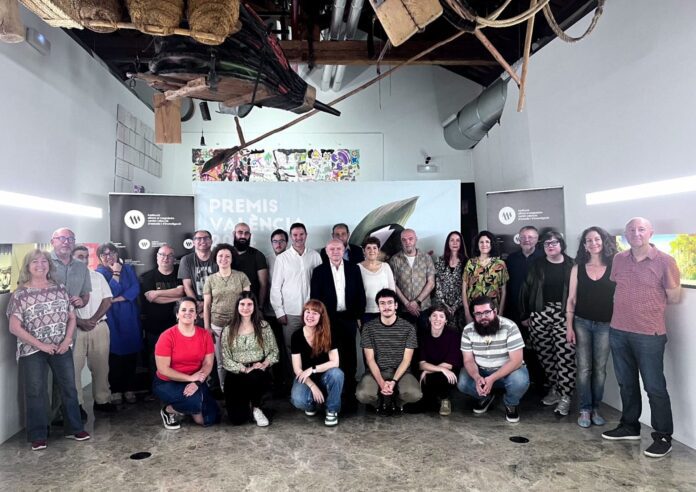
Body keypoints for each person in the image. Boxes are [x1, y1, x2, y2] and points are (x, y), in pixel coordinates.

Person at [601, 217, 681, 458]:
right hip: (618, 331)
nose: (636, 233)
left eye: (641, 229)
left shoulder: (665, 261)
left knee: (654, 387)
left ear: (651, 233)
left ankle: (663, 436)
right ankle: (629, 426)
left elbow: (674, 297)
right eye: (631, 230)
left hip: (649, 334)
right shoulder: (619, 259)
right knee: (626, 383)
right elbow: (618, 286)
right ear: (626, 234)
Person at [6, 250, 90, 450]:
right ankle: (38, 434)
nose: (40, 265)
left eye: (44, 261)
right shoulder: (20, 294)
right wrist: (41, 345)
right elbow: (14, 327)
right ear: (28, 267)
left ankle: (74, 428)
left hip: (61, 347)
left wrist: (67, 340)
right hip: (32, 350)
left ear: (49, 266)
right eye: (35, 261)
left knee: (68, 387)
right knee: (35, 391)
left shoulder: (60, 288)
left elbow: (71, 317)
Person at [565, 227, 616, 428]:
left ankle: (595, 408)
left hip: (606, 325)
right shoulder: (577, 268)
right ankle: (584, 409)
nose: (593, 243)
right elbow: (571, 299)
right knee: (584, 368)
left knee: (600, 369)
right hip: (581, 323)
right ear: (584, 245)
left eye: (597, 239)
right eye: (589, 240)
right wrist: (569, 326)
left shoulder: (614, 267)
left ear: (603, 241)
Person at [519, 231, 575, 416]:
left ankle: (566, 396)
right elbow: (526, 289)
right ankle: (555, 389)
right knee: (545, 356)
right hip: (540, 313)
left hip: (563, 314)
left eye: (554, 242)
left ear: (561, 244)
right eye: (546, 244)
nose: (550, 246)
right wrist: (525, 314)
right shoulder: (537, 265)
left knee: (565, 357)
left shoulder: (572, 265)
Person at [310, 239, 366, 405]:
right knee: (330, 355)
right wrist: (321, 320)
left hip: (348, 319)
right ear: (327, 252)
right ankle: (334, 392)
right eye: (332, 249)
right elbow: (315, 298)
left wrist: (356, 315)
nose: (335, 252)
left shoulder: (353, 268)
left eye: (338, 249)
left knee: (350, 356)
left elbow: (360, 294)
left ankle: (349, 393)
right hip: (328, 320)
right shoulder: (319, 271)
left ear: (343, 250)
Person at [457, 295, 529, 423]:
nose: (483, 317)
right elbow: (468, 360)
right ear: (473, 315)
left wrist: (492, 378)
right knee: (462, 381)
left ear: (495, 312)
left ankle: (511, 403)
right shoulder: (468, 330)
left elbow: (516, 360)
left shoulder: (510, 326)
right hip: (482, 371)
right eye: (478, 314)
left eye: (487, 312)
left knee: (520, 381)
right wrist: (477, 377)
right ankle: (485, 397)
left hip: (508, 372)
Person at [153, 297, 220, 430]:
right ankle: (169, 410)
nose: (187, 313)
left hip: (196, 380)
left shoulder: (205, 335)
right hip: (168, 382)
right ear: (177, 314)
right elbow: (163, 369)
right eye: (183, 310)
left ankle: (189, 408)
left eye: (191, 310)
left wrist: (196, 382)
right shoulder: (166, 336)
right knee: (194, 402)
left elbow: (208, 363)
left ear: (196, 315)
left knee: (210, 418)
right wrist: (190, 378)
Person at [356, 289, 422, 414]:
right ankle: (378, 403)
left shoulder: (408, 328)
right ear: (378, 307)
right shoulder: (368, 328)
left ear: (396, 305)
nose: (386, 307)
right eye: (382, 303)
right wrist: (382, 383)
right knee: (363, 394)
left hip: (401, 372)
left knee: (414, 394)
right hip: (376, 371)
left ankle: (397, 402)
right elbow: (370, 360)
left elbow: (406, 360)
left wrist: (394, 382)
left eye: (390, 303)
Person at [221, 292, 279, 426]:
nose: (245, 308)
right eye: (242, 304)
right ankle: (247, 406)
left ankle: (256, 408)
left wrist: (264, 364)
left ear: (255, 306)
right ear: (237, 306)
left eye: (249, 304)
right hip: (237, 372)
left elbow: (274, 351)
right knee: (237, 420)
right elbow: (226, 358)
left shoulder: (263, 326)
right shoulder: (228, 329)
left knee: (255, 376)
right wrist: (244, 369)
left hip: (258, 371)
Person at [270, 223, 322, 370]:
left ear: (306, 235)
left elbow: (321, 283)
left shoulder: (315, 256)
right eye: (295, 235)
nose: (298, 238)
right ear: (291, 237)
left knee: (313, 346)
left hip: (312, 312)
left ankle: (311, 376)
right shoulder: (282, 258)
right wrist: (279, 311)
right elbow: (275, 287)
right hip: (290, 313)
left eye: (301, 234)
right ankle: (294, 379)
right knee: (291, 347)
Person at [71, 245, 116, 415]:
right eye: (79, 256)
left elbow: (107, 299)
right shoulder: (65, 280)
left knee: (101, 367)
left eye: (86, 256)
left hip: (98, 327)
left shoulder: (97, 277)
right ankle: (76, 405)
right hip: (75, 329)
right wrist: (80, 322)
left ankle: (102, 400)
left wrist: (93, 320)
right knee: (74, 369)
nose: (83, 260)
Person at [96, 242, 142, 405]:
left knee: (131, 354)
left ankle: (129, 388)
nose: (109, 257)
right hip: (111, 318)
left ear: (117, 254)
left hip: (129, 316)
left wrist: (115, 299)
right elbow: (109, 292)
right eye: (104, 254)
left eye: (112, 253)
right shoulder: (99, 273)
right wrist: (115, 273)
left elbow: (135, 288)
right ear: (100, 258)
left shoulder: (128, 268)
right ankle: (115, 390)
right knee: (114, 355)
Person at [203, 242, 251, 389]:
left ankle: (242, 389)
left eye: (227, 256)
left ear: (232, 258)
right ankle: (226, 391)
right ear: (215, 258)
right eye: (220, 256)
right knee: (221, 362)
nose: (223, 259)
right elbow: (207, 305)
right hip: (217, 326)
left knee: (241, 358)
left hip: (238, 325)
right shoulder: (210, 279)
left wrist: (247, 324)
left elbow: (248, 302)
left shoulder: (241, 277)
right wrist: (207, 328)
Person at [290, 299, 344, 426]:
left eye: (315, 313)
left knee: (337, 374)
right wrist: (312, 386)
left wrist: (312, 369)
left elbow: (335, 362)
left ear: (321, 316)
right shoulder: (296, 335)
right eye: (307, 312)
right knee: (299, 400)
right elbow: (297, 369)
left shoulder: (329, 333)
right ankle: (312, 404)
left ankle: (331, 410)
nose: (310, 316)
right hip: (306, 378)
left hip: (326, 376)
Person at [140, 245, 184, 378]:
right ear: (157, 257)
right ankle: (157, 386)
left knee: (178, 359)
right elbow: (152, 299)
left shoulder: (180, 273)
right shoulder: (148, 277)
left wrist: (158, 292)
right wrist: (177, 298)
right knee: (155, 359)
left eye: (170, 255)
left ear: (174, 258)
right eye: (162, 255)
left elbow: (181, 291)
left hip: (178, 327)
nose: (166, 258)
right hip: (155, 328)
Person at [418, 305, 461, 416]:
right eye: (434, 316)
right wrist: (438, 369)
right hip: (432, 373)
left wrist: (429, 370)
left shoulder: (453, 335)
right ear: (429, 318)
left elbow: (450, 364)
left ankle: (445, 400)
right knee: (421, 407)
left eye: (441, 316)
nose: (437, 319)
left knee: (445, 376)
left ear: (446, 320)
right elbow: (421, 364)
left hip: (447, 372)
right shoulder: (423, 335)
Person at [389, 229, 435, 330]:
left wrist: (417, 302)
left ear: (416, 239)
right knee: (406, 339)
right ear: (401, 241)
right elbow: (392, 284)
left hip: (424, 308)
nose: (407, 242)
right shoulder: (394, 260)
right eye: (404, 240)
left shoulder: (426, 258)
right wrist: (407, 304)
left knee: (425, 337)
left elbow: (431, 283)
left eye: (410, 239)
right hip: (404, 310)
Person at [462, 231, 509, 325]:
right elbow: (464, 290)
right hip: (474, 310)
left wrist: (500, 313)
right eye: (481, 242)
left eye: (487, 242)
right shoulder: (470, 263)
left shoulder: (500, 264)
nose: (484, 244)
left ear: (492, 244)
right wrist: (467, 313)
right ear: (477, 245)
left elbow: (503, 291)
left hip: (492, 310)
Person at [178, 230, 218, 321]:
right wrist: (195, 305)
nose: (202, 241)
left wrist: (207, 306)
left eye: (206, 238)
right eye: (198, 238)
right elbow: (187, 287)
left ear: (211, 241)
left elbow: (222, 287)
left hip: (216, 307)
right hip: (196, 307)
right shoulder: (186, 260)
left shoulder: (219, 258)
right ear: (193, 242)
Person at [434, 231, 467, 328]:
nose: (455, 243)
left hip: (460, 307)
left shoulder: (467, 262)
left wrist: (455, 307)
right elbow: (437, 284)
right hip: (442, 307)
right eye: (452, 240)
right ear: (448, 243)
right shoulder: (440, 261)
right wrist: (445, 306)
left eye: (458, 240)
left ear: (461, 243)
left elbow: (467, 288)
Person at [231, 222, 269, 307]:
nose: (243, 236)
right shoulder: (226, 254)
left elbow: (263, 285)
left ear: (250, 235)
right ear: (234, 234)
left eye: (246, 233)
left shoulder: (258, 255)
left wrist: (260, 307)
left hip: (251, 306)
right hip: (230, 304)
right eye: (240, 232)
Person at [358, 236, 395, 324]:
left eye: (374, 248)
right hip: (366, 312)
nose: (372, 251)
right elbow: (355, 293)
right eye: (368, 248)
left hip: (385, 311)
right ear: (364, 251)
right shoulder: (357, 268)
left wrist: (392, 309)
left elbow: (392, 290)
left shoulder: (386, 266)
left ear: (378, 250)